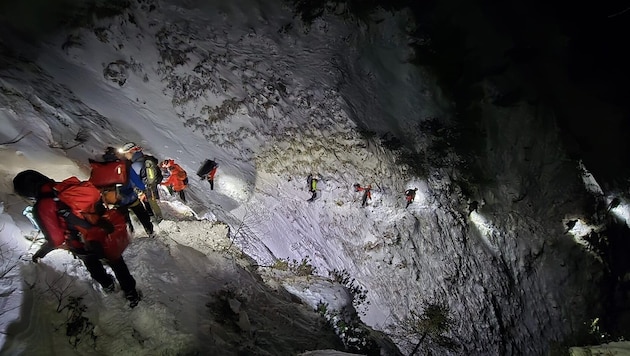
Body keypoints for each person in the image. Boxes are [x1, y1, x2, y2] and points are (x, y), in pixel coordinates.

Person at [13, 170, 141, 308]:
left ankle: (108, 285)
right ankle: (131, 294)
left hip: (81, 243)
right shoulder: (68, 186)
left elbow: (56, 239)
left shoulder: (43, 206)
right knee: (117, 262)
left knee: (92, 264)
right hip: (101, 231)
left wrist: (41, 252)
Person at [98, 147, 155, 238]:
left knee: (124, 217)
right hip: (130, 195)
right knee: (141, 214)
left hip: (116, 198)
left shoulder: (102, 168)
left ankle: (129, 234)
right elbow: (135, 179)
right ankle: (150, 231)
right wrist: (144, 189)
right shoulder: (125, 165)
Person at [119, 142, 163, 222]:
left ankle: (155, 222)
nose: (125, 156)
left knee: (148, 207)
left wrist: (140, 192)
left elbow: (134, 182)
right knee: (153, 205)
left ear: (131, 152)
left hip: (144, 190)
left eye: (126, 153)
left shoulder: (134, 166)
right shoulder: (145, 160)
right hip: (151, 187)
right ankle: (161, 221)